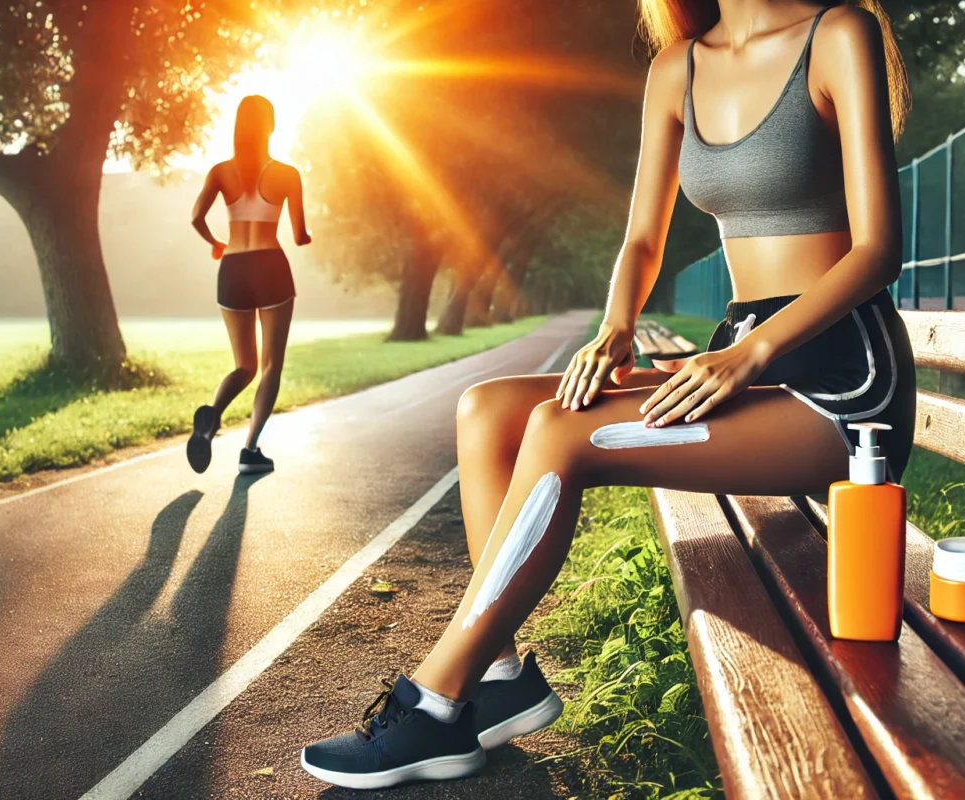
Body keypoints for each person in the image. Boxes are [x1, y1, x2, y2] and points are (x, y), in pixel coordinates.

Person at [299, 0, 916, 789]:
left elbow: (878, 249)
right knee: (488, 410)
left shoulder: (837, 35)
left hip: (841, 386)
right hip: (741, 359)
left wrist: (753, 352)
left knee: (559, 433)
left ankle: (431, 701)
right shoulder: (676, 68)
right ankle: (498, 682)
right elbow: (641, 239)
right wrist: (615, 326)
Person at [186, 95, 311, 475]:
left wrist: (217, 244)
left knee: (244, 365)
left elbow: (196, 218)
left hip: (233, 269)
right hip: (271, 266)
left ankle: (212, 417)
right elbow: (300, 235)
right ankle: (250, 449)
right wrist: (305, 235)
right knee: (271, 365)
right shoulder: (288, 174)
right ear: (271, 126)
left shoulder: (221, 172)